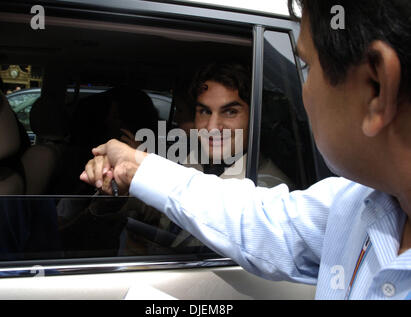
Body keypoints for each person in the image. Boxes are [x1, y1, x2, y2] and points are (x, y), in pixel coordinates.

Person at [80, 0, 411, 300]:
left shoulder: (268, 178)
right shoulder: (351, 206)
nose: (212, 128)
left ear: (376, 86)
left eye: (307, 67)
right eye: (203, 111)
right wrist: (132, 170)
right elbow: (260, 221)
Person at [182, 62, 294, 188]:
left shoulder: (270, 192)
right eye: (205, 111)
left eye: (230, 112)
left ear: (255, 118)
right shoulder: (192, 161)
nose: (211, 128)